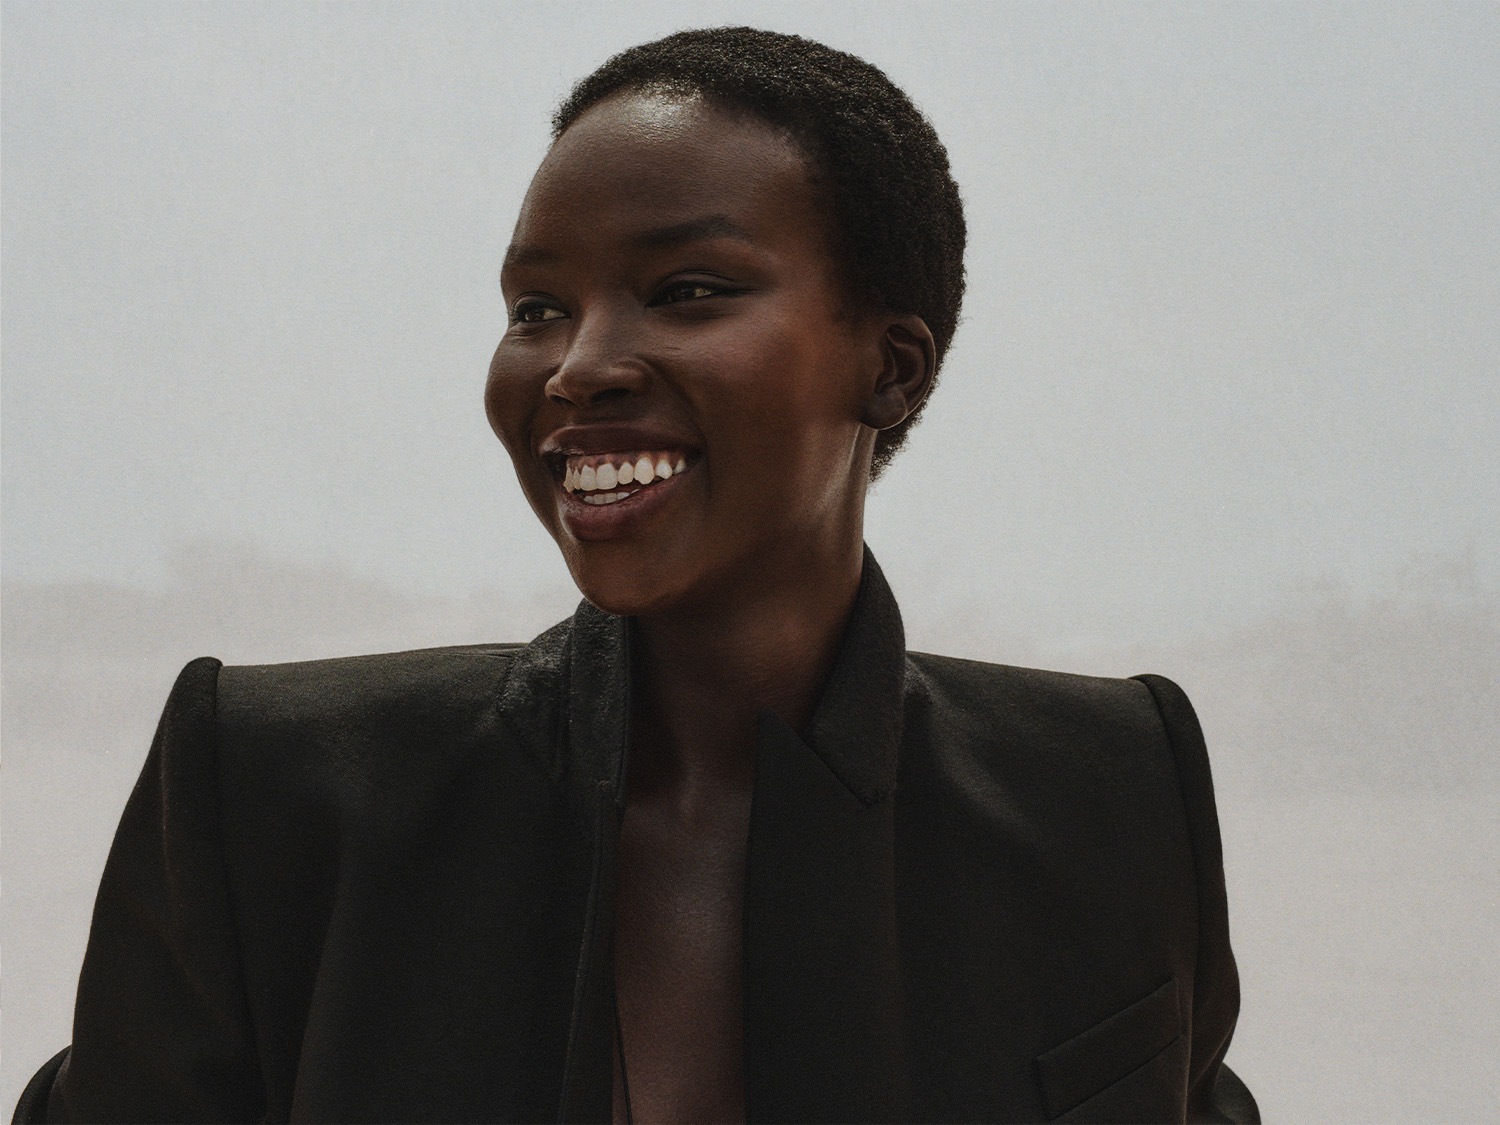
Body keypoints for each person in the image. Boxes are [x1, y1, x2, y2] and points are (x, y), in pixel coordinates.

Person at [15, 26, 1258, 1125]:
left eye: (687, 291)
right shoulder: (275, 796)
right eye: (536, 306)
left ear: (890, 368)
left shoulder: (1110, 796)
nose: (578, 366)